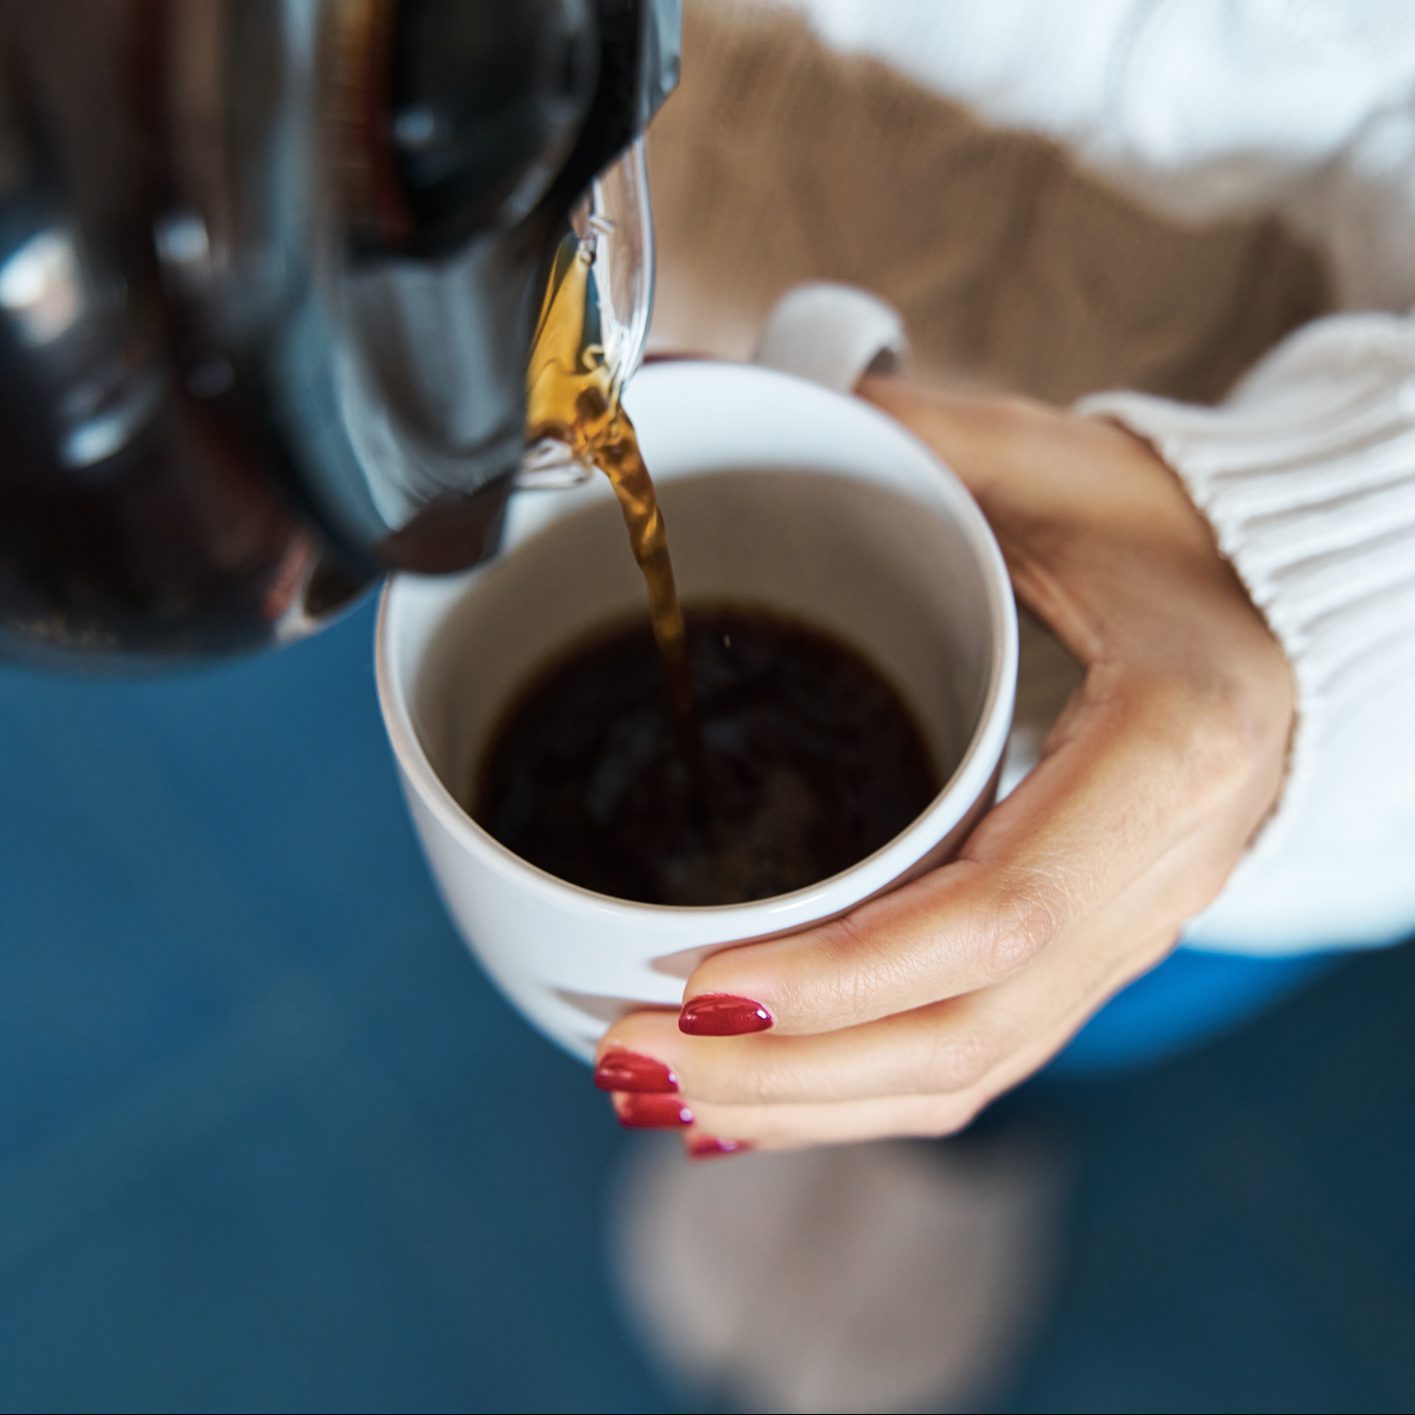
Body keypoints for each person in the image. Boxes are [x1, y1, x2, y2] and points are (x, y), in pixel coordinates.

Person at [592, 2, 1415, 1409]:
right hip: (661, 250)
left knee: (1076, 959)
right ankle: (856, 1108)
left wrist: (1321, 585)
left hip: (1249, 533)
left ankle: (954, 1139)